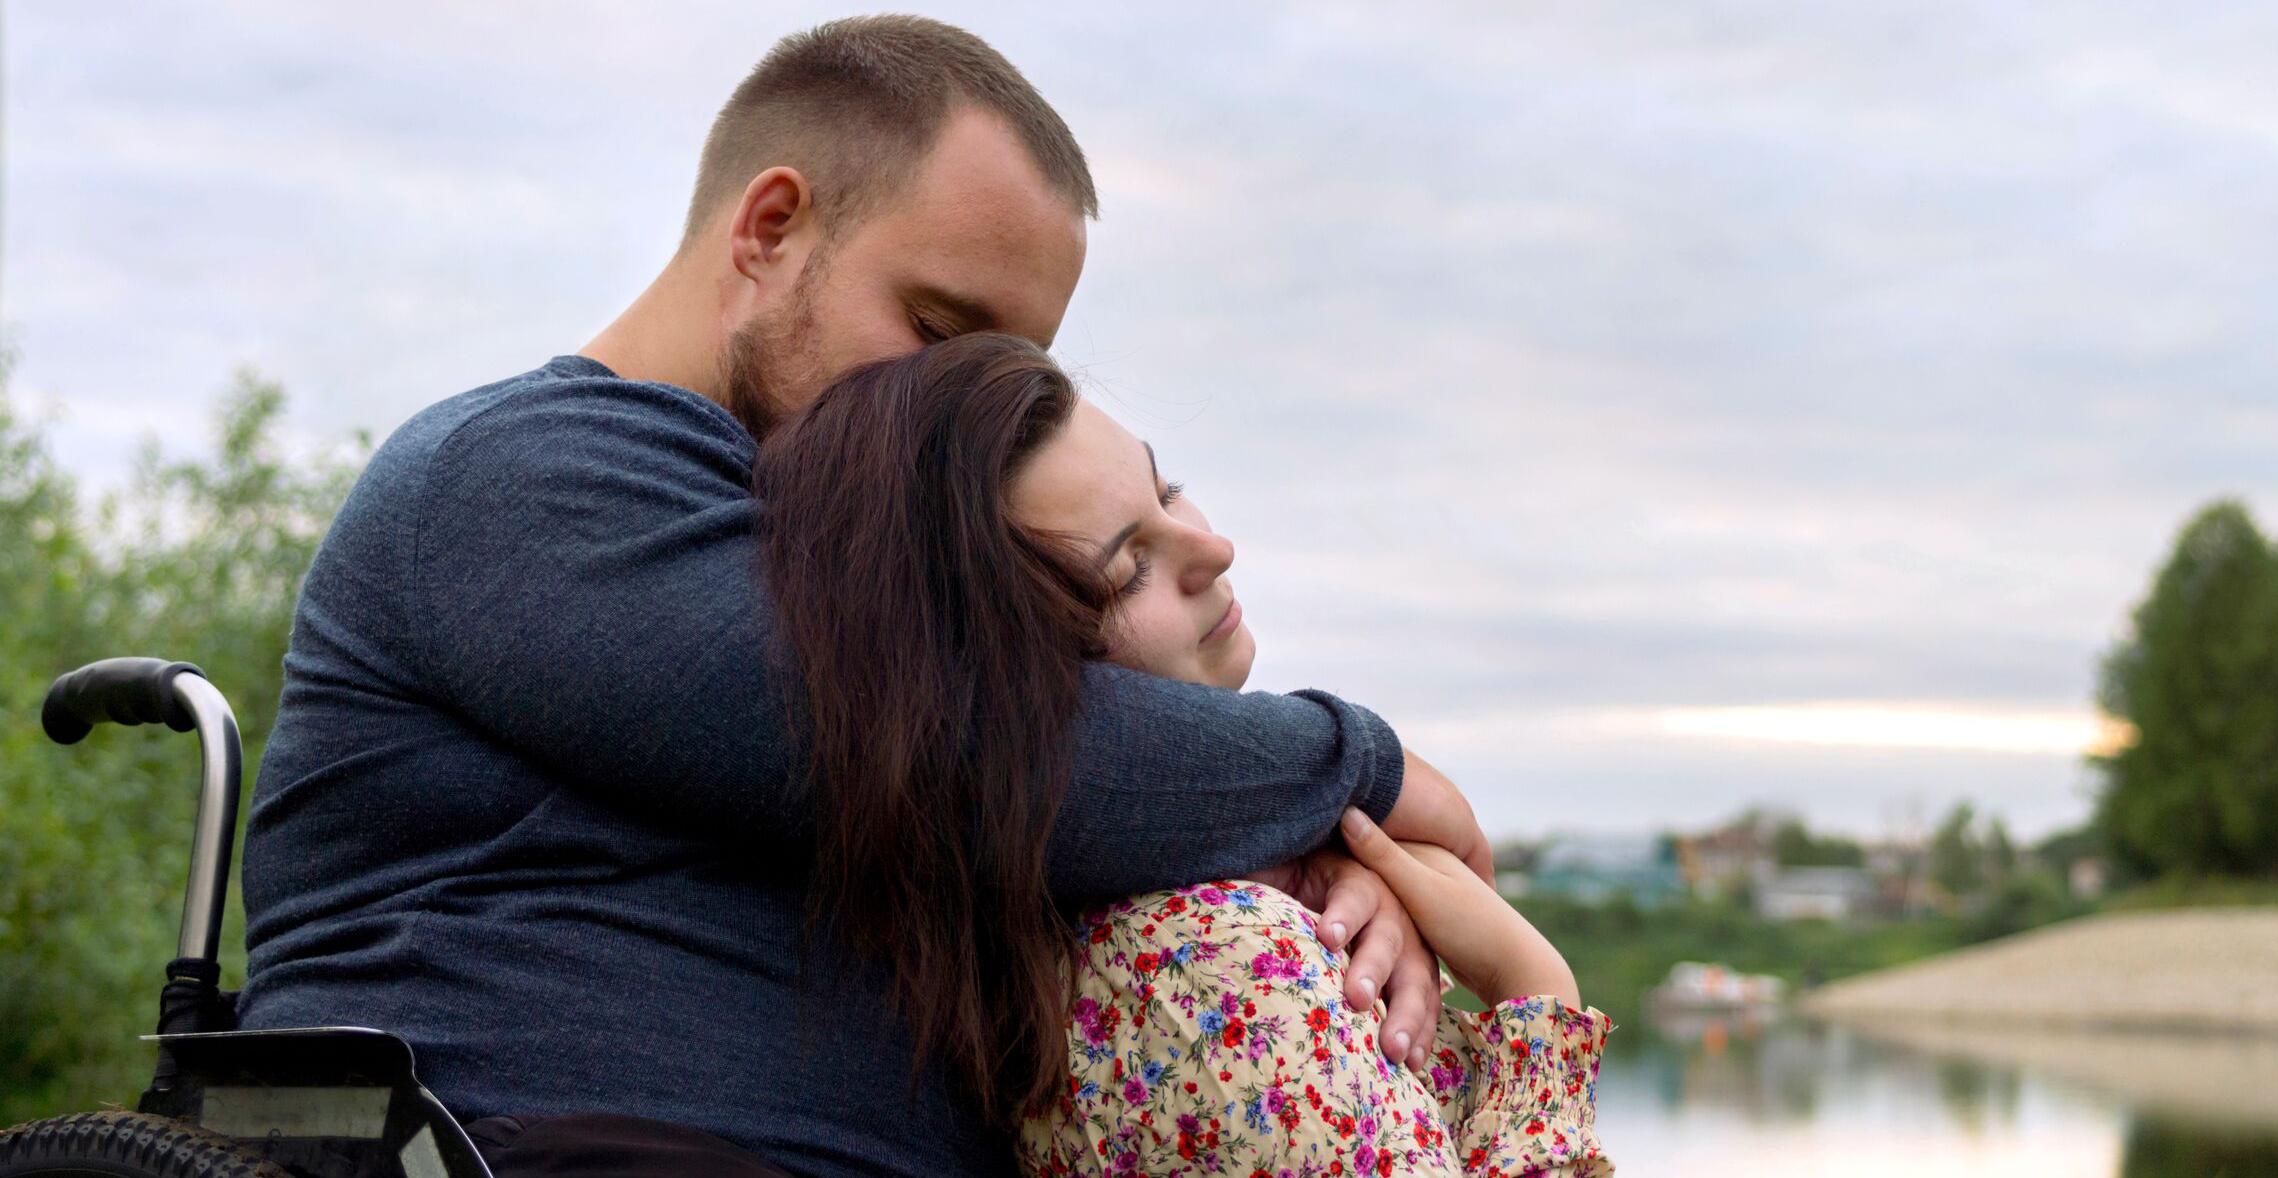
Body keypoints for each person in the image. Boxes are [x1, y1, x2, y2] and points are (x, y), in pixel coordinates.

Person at [237, 15, 1490, 1177]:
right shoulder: (521, 475)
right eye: (943, 329)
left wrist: (1325, 867)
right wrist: (1358, 769)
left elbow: (1099, 764)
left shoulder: (876, 568)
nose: (963, 399)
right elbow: (940, 745)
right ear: (770, 228)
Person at [752, 332, 1612, 1175]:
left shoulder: (1144, 931)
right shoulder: (1214, 973)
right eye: (1128, 568)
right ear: (1016, 680)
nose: (1214, 549)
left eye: (1170, 491)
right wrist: (1535, 993)